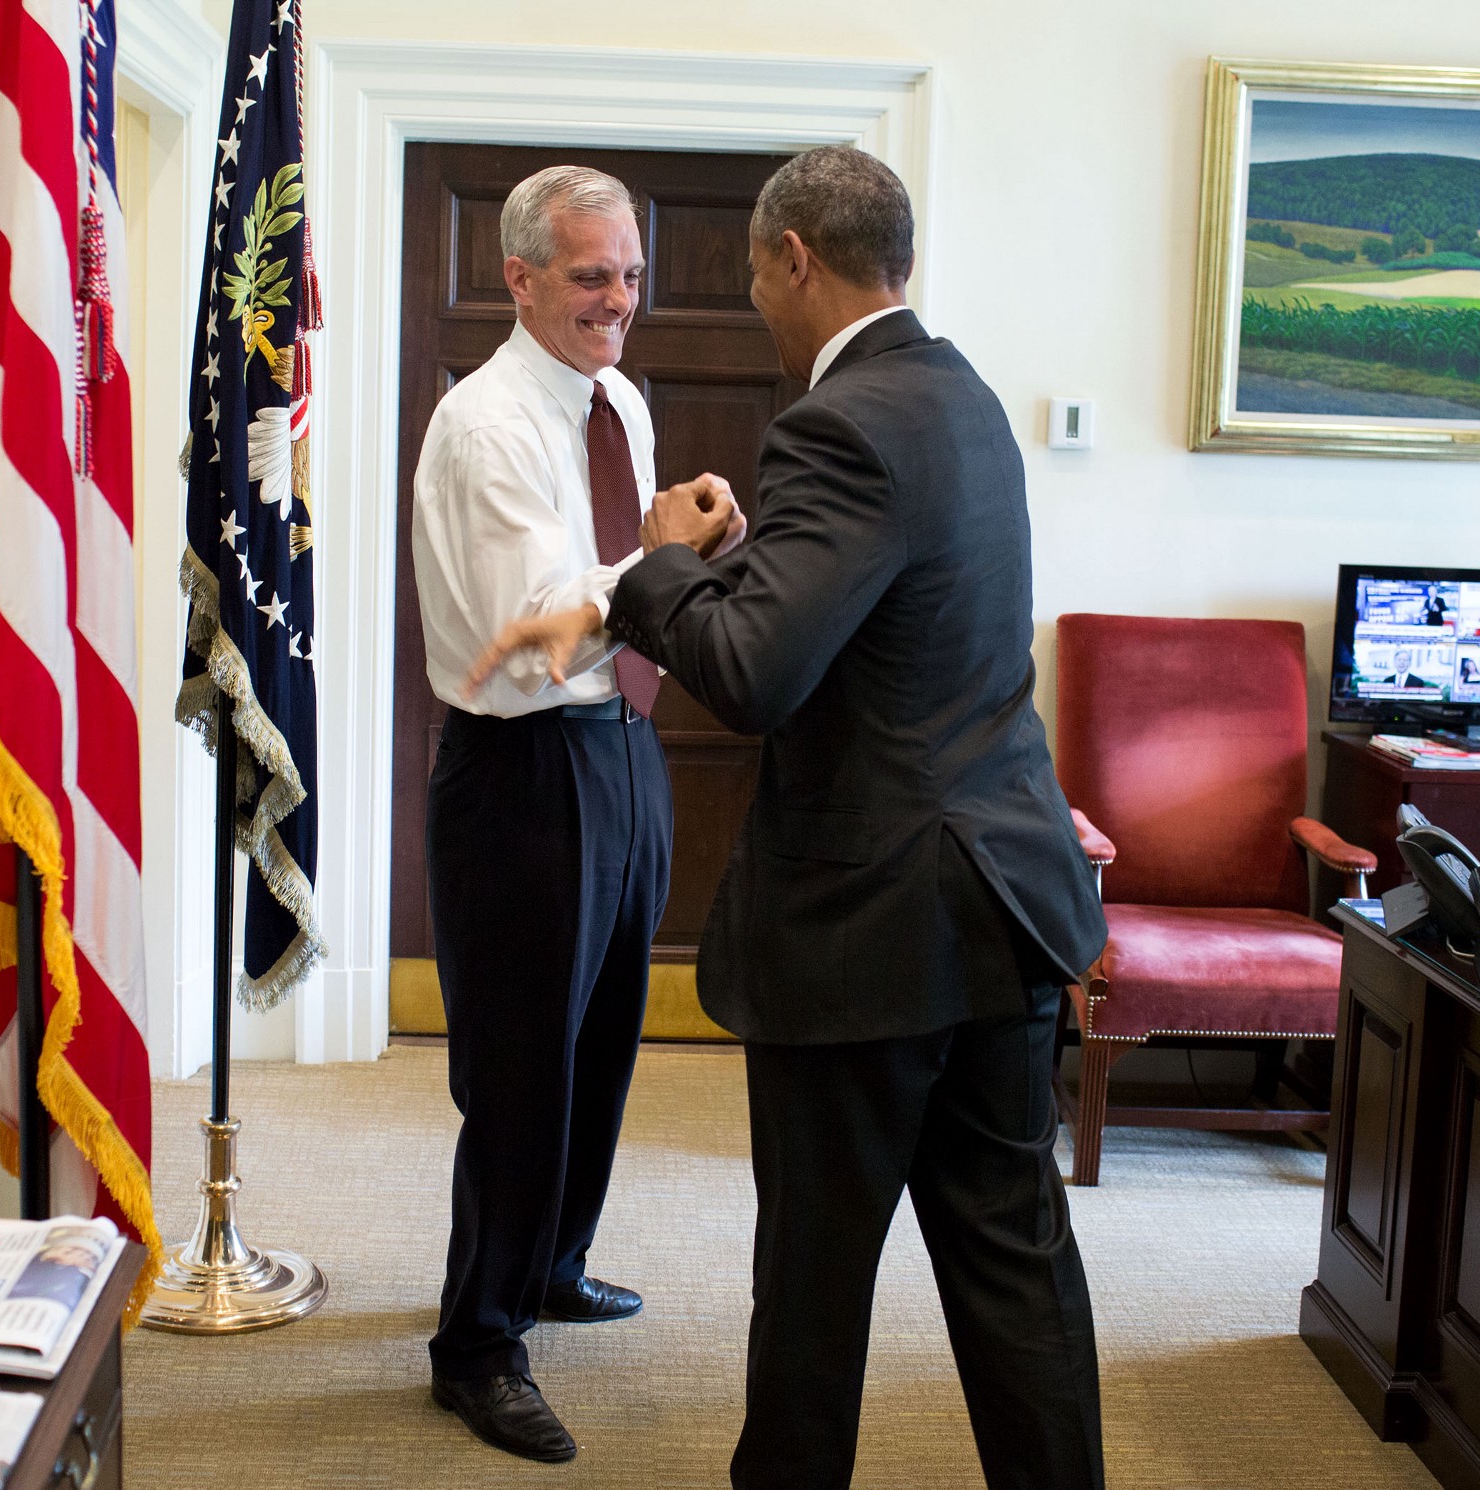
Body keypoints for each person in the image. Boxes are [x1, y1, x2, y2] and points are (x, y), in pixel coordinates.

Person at [466, 147, 1108, 1490]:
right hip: (1003, 908)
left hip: (868, 934)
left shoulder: (837, 422)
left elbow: (755, 671)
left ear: (796, 259)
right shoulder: (965, 401)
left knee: (812, 1294)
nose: (746, 295)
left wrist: (653, 562)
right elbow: (882, 626)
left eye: (750, 269)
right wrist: (728, 562)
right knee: (1018, 1274)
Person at [410, 164, 741, 1464]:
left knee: (604, 1041)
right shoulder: (485, 425)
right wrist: (657, 550)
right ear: (522, 279)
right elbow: (534, 634)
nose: (620, 299)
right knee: (523, 1072)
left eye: (632, 273)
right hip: (521, 775)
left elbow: (627, 600)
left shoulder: (620, 399)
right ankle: (476, 1342)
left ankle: (554, 1261)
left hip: (623, 749)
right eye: (593, 275)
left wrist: (685, 550)